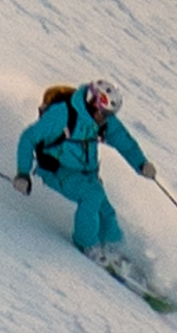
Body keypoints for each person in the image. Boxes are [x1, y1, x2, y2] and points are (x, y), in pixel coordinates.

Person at [13, 79, 155, 254]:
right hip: (57, 169)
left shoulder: (102, 120)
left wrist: (141, 163)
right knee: (91, 196)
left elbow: (122, 139)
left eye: (109, 114)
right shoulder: (63, 114)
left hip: (86, 174)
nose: (105, 119)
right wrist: (23, 173)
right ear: (93, 102)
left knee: (106, 213)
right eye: (103, 113)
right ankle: (87, 244)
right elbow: (28, 137)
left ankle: (115, 248)